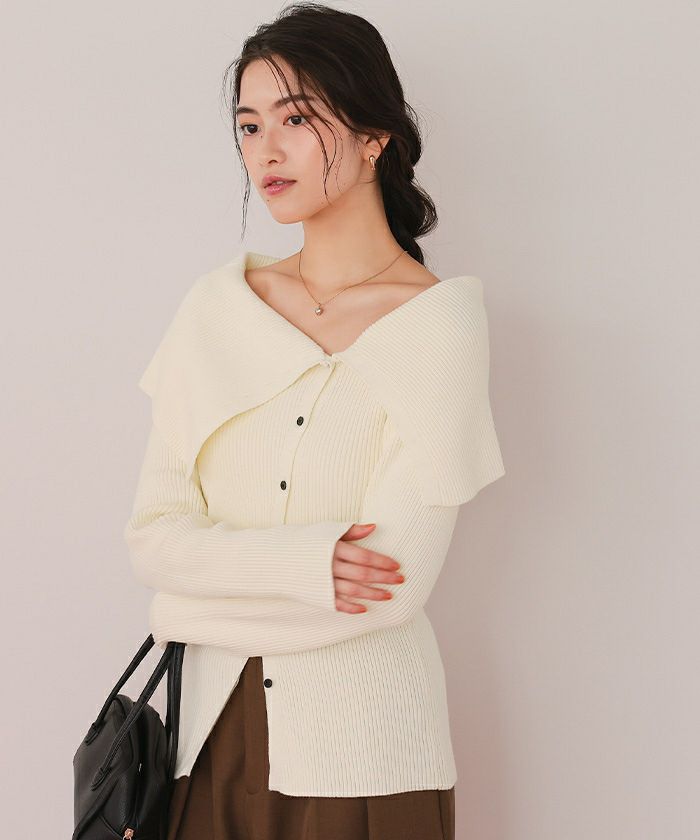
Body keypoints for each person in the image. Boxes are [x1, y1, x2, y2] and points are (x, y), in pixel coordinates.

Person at [123, 3, 506, 838]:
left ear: (376, 137)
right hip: (202, 745)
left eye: (297, 118)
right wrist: (308, 564)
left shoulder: (439, 325)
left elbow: (389, 589)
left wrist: (184, 607)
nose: (266, 149)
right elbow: (152, 537)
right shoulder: (216, 309)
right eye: (249, 125)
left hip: (368, 752)